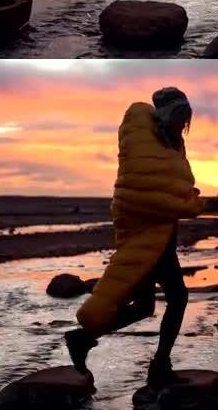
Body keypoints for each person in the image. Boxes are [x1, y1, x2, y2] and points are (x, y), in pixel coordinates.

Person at [64, 87, 205, 386]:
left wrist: (183, 197)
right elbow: (143, 191)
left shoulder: (170, 142)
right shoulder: (144, 141)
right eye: (178, 117)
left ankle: (83, 339)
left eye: (186, 118)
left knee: (145, 306)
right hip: (148, 235)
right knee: (178, 297)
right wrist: (189, 204)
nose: (182, 124)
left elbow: (167, 184)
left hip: (160, 234)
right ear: (165, 115)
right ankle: (160, 367)